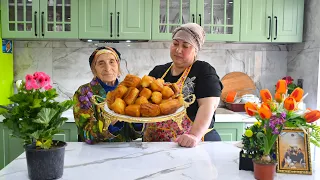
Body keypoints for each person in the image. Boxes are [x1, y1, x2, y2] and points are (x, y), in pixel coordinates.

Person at [143, 23, 223, 148]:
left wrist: (194, 135)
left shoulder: (203, 71)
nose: (178, 50)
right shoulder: (158, 72)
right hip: (154, 145)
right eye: (175, 44)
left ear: (195, 50)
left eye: (185, 46)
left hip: (186, 146)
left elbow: (208, 105)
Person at [73, 46, 143, 144]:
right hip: (95, 153)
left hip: (125, 152)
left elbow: (134, 135)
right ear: (94, 69)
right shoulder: (83, 93)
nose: (108, 68)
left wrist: (138, 123)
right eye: (101, 63)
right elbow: (85, 134)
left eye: (111, 62)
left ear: (118, 66)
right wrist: (110, 121)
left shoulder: (129, 92)